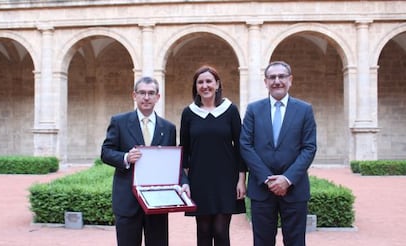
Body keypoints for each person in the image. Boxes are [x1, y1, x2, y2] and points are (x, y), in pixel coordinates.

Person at [101, 76, 189, 246]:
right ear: (134, 95)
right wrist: (125, 157)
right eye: (142, 93)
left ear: (158, 97)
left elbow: (172, 163)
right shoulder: (119, 122)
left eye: (151, 93)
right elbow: (105, 152)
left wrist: (184, 181)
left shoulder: (168, 128)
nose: (146, 97)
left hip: (158, 201)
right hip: (127, 201)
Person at [240, 61, 317, 246]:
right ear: (265, 82)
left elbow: (309, 147)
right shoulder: (254, 109)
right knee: (262, 242)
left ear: (290, 80)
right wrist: (267, 178)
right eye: (272, 77)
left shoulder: (304, 110)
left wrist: (287, 179)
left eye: (281, 77)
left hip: (294, 188)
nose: (277, 81)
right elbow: (245, 145)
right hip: (261, 189)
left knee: (295, 242)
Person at [179, 65, 247, 246]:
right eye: (200, 82)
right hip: (199, 179)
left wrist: (241, 180)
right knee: (203, 230)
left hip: (225, 179)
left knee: (221, 230)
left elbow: (240, 147)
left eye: (209, 81)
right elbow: (184, 150)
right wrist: (185, 182)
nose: (205, 85)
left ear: (217, 84)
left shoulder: (230, 110)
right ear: (196, 86)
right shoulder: (189, 113)